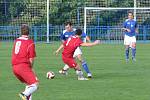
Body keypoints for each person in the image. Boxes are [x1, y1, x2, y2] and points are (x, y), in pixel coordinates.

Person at [11, 24, 38, 100]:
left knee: (29, 84)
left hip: (14, 67)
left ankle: (26, 96)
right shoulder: (30, 42)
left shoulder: (16, 41)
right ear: (29, 32)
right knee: (35, 84)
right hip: (23, 66)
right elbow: (31, 59)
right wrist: (31, 68)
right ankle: (24, 94)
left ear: (20, 32)